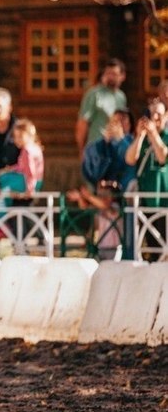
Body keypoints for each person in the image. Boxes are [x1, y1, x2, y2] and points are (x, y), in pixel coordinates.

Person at [125, 98, 168, 261]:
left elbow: (163, 156)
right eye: (152, 113)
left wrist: (154, 134)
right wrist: (140, 136)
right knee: (151, 246)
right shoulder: (143, 140)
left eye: (159, 114)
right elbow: (130, 159)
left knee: (165, 245)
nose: (155, 117)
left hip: (164, 201)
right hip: (146, 201)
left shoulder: (165, 137)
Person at [75, 58, 127, 159]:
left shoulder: (121, 97)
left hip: (115, 149)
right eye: (108, 73)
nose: (110, 77)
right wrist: (81, 149)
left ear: (122, 76)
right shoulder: (94, 94)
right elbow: (82, 123)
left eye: (114, 74)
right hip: (97, 149)